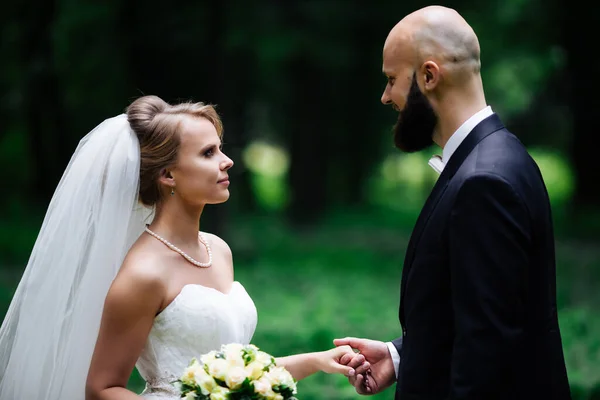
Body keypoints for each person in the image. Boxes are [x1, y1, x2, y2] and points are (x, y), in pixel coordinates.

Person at [0, 95, 368, 400]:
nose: (227, 161)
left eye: (220, 149)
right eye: (208, 153)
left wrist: (317, 360)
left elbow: (232, 374)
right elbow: (102, 388)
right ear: (168, 175)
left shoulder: (218, 250)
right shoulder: (143, 274)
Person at [335, 5, 571, 400]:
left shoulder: (484, 181)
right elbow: (477, 318)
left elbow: (487, 359)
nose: (385, 96)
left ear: (429, 75)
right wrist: (399, 356)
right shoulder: (500, 155)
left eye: (392, 80)